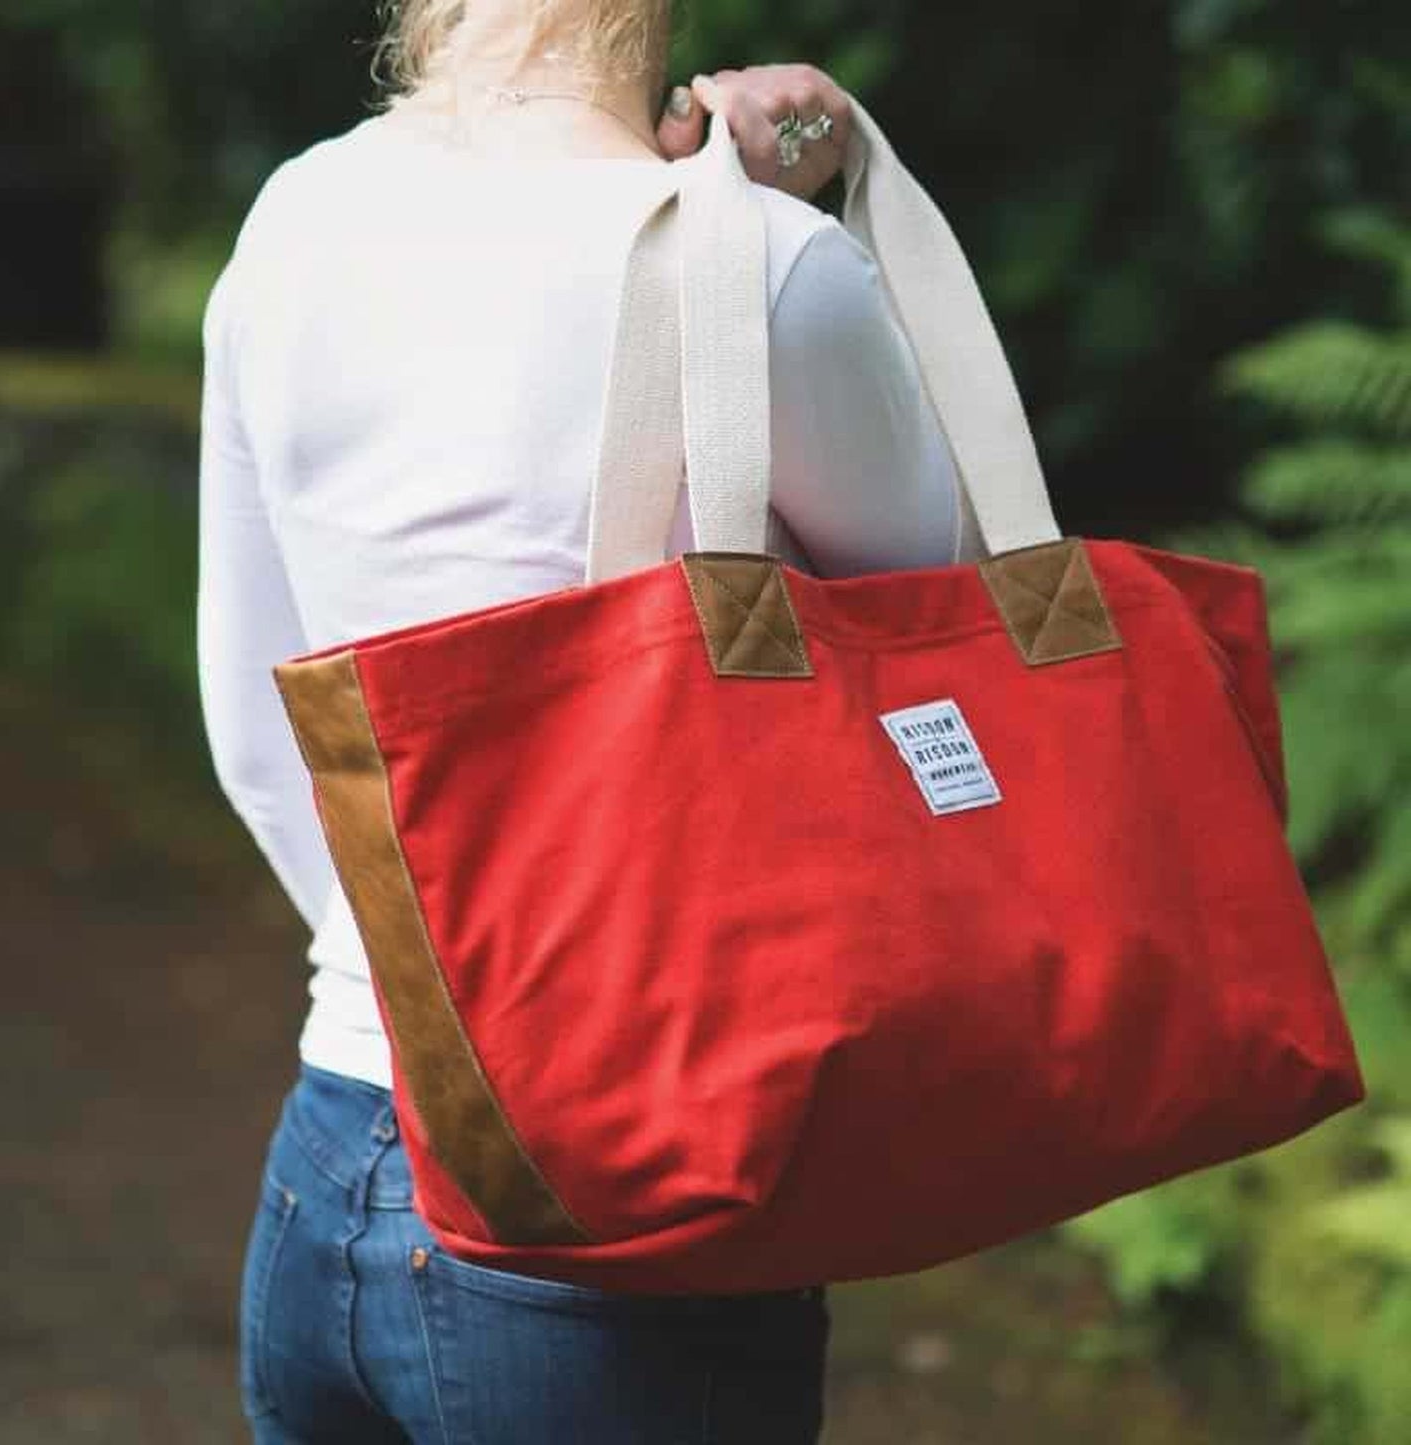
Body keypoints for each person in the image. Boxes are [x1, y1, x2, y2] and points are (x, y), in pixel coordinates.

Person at [196, 2, 962, 1441]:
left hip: (331, 1158)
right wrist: (811, 193)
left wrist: (435, 999)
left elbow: (258, 725)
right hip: (623, 1211)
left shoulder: (295, 219)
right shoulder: (765, 268)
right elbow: (963, 647)